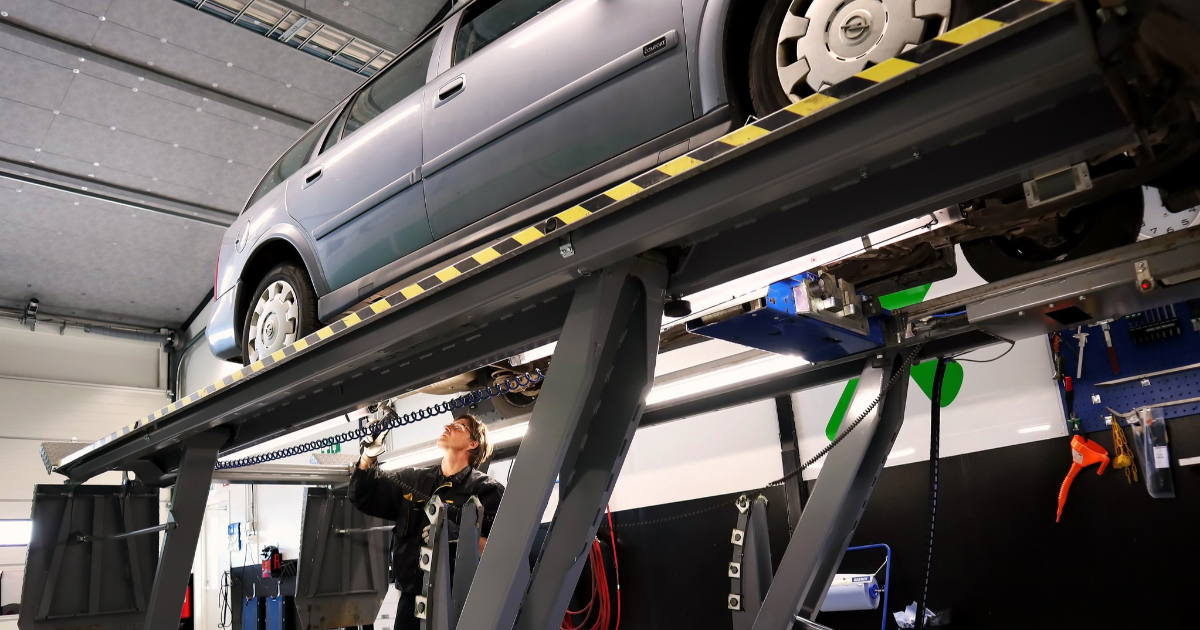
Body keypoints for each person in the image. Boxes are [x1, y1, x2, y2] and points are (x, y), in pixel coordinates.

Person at [348, 406, 505, 630]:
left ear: (473, 444)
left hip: (457, 605)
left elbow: (500, 552)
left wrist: (461, 537)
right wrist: (367, 458)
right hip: (410, 604)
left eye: (458, 426)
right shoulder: (412, 480)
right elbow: (361, 497)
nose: (447, 426)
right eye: (449, 424)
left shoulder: (487, 490)